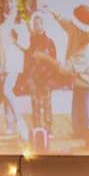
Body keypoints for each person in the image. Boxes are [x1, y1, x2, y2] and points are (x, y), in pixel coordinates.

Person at [35, 4, 89, 139]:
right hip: (79, 85)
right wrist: (54, 12)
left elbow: (65, 68)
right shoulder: (76, 29)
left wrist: (44, 57)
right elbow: (66, 24)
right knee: (78, 130)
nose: (71, 23)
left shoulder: (86, 49)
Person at [0, 0, 31, 141]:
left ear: (16, 3)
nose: (9, 4)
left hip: (14, 62)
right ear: (3, 3)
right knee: (5, 95)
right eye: (6, 1)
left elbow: (27, 45)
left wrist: (16, 38)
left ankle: (20, 121)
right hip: (2, 62)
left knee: (7, 90)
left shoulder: (20, 23)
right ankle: (9, 126)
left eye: (12, 1)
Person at [25, 10, 57, 138]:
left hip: (47, 78)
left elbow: (54, 61)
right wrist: (27, 77)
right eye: (36, 24)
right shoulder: (29, 42)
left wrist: (53, 78)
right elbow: (26, 60)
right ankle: (37, 129)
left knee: (47, 104)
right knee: (35, 103)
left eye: (41, 23)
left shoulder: (50, 42)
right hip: (33, 78)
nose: (38, 26)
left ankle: (48, 129)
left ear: (45, 24)